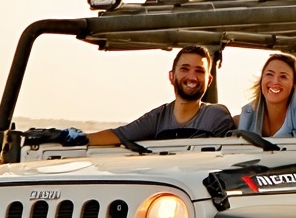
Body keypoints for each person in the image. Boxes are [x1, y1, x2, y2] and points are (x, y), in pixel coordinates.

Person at [34, 46, 234, 146]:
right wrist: (69, 138)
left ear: (209, 81)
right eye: (185, 69)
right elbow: (120, 134)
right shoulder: (159, 117)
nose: (192, 76)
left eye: (199, 71)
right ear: (172, 77)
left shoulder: (216, 116)